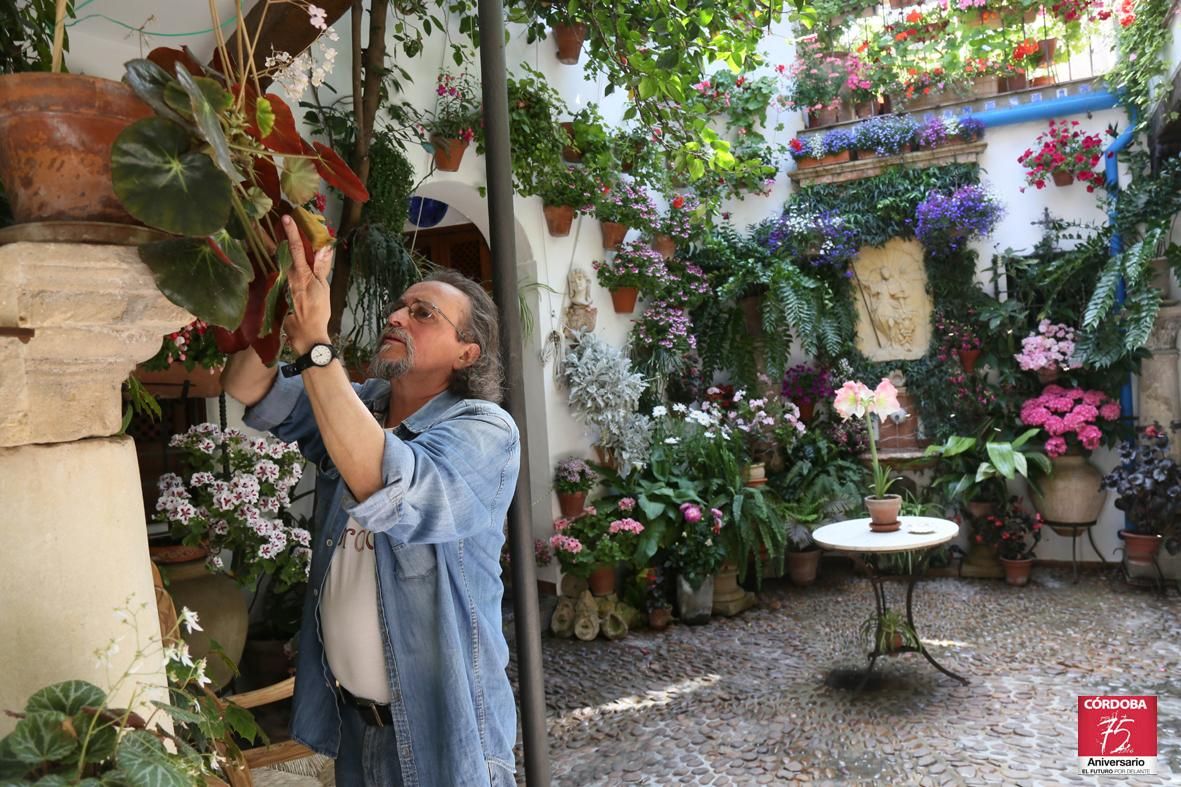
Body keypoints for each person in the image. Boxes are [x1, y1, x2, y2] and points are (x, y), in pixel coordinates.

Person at [222, 215, 520, 786]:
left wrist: (315, 346)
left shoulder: (486, 430)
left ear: (467, 354)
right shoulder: (362, 405)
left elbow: (385, 482)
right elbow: (247, 386)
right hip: (356, 733)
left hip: (445, 739)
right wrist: (279, 295)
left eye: (423, 313)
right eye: (400, 306)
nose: (397, 316)